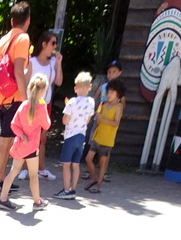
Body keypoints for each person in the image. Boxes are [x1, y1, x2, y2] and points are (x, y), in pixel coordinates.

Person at [0, 0, 32, 193]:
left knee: (6, 143)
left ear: (11, 20)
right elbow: (18, 71)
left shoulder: (3, 40)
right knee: (5, 143)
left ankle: (0, 180)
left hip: (2, 97)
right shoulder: (23, 39)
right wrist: (25, 100)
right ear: (28, 21)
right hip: (14, 99)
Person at [0, 72, 51, 211]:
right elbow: (47, 125)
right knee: (33, 175)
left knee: (13, 171)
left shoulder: (23, 105)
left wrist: (21, 135)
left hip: (21, 145)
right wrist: (44, 107)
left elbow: (14, 124)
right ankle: (37, 201)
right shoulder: (41, 107)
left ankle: (2, 198)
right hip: (32, 147)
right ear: (43, 90)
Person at [25, 30, 63, 179]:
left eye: (56, 43)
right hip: (31, 104)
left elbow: (59, 81)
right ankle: (24, 168)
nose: (55, 46)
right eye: (53, 43)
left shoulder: (53, 62)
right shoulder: (32, 62)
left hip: (45, 105)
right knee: (27, 136)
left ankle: (41, 169)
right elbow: (26, 81)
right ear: (44, 44)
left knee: (42, 139)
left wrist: (59, 64)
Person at [53, 71, 95, 199]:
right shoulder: (91, 102)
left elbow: (65, 120)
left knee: (66, 164)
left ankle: (66, 190)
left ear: (76, 88)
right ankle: (73, 189)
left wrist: (67, 109)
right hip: (81, 136)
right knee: (75, 164)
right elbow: (88, 120)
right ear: (90, 87)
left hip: (70, 135)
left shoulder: (72, 102)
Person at [84, 78, 125, 193]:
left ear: (118, 94)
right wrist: (98, 118)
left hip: (107, 140)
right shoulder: (104, 104)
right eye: (108, 92)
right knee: (88, 159)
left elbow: (116, 123)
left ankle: (98, 185)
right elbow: (98, 122)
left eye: (112, 92)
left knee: (102, 164)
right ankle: (94, 178)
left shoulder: (119, 107)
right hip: (97, 137)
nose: (109, 94)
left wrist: (103, 119)